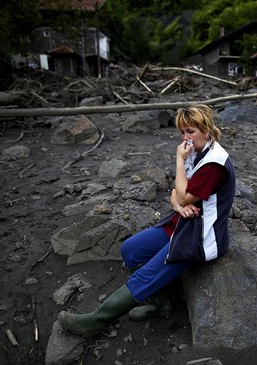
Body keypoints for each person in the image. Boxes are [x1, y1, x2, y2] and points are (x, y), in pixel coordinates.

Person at [57, 105, 237, 337]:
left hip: (201, 236)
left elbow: (181, 193)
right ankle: (161, 303)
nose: (185, 138)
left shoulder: (214, 162)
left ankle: (94, 322)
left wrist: (178, 163)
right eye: (182, 132)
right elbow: (175, 195)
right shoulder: (198, 151)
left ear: (205, 129)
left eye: (190, 131)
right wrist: (178, 205)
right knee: (130, 250)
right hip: (182, 222)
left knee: (146, 275)